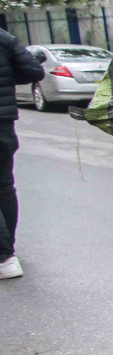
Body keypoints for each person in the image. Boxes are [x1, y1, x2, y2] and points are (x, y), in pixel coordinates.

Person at [0, 29, 45, 279]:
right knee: (4, 187)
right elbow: (34, 71)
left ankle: (4, 256)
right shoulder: (3, 38)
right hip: (3, 123)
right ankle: (8, 250)